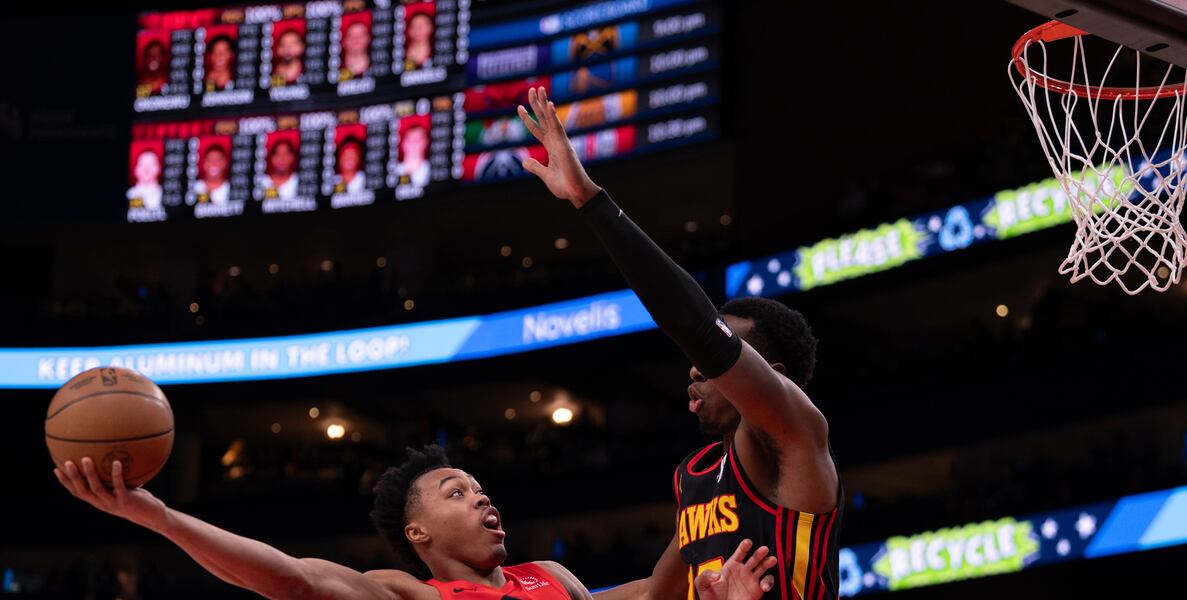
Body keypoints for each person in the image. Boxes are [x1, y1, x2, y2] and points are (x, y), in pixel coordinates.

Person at [517, 86, 843, 600]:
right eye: (697, 360)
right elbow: (653, 594)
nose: (694, 368)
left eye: (714, 357)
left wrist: (590, 200)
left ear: (773, 376)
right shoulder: (697, 475)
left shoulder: (794, 431)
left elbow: (696, 327)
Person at [54, 445, 777, 600]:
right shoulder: (410, 593)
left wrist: (700, 518)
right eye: (458, 493)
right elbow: (292, 579)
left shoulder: (552, 577)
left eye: (482, 490)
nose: (485, 500)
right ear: (418, 534)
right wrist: (159, 517)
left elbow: (655, 594)